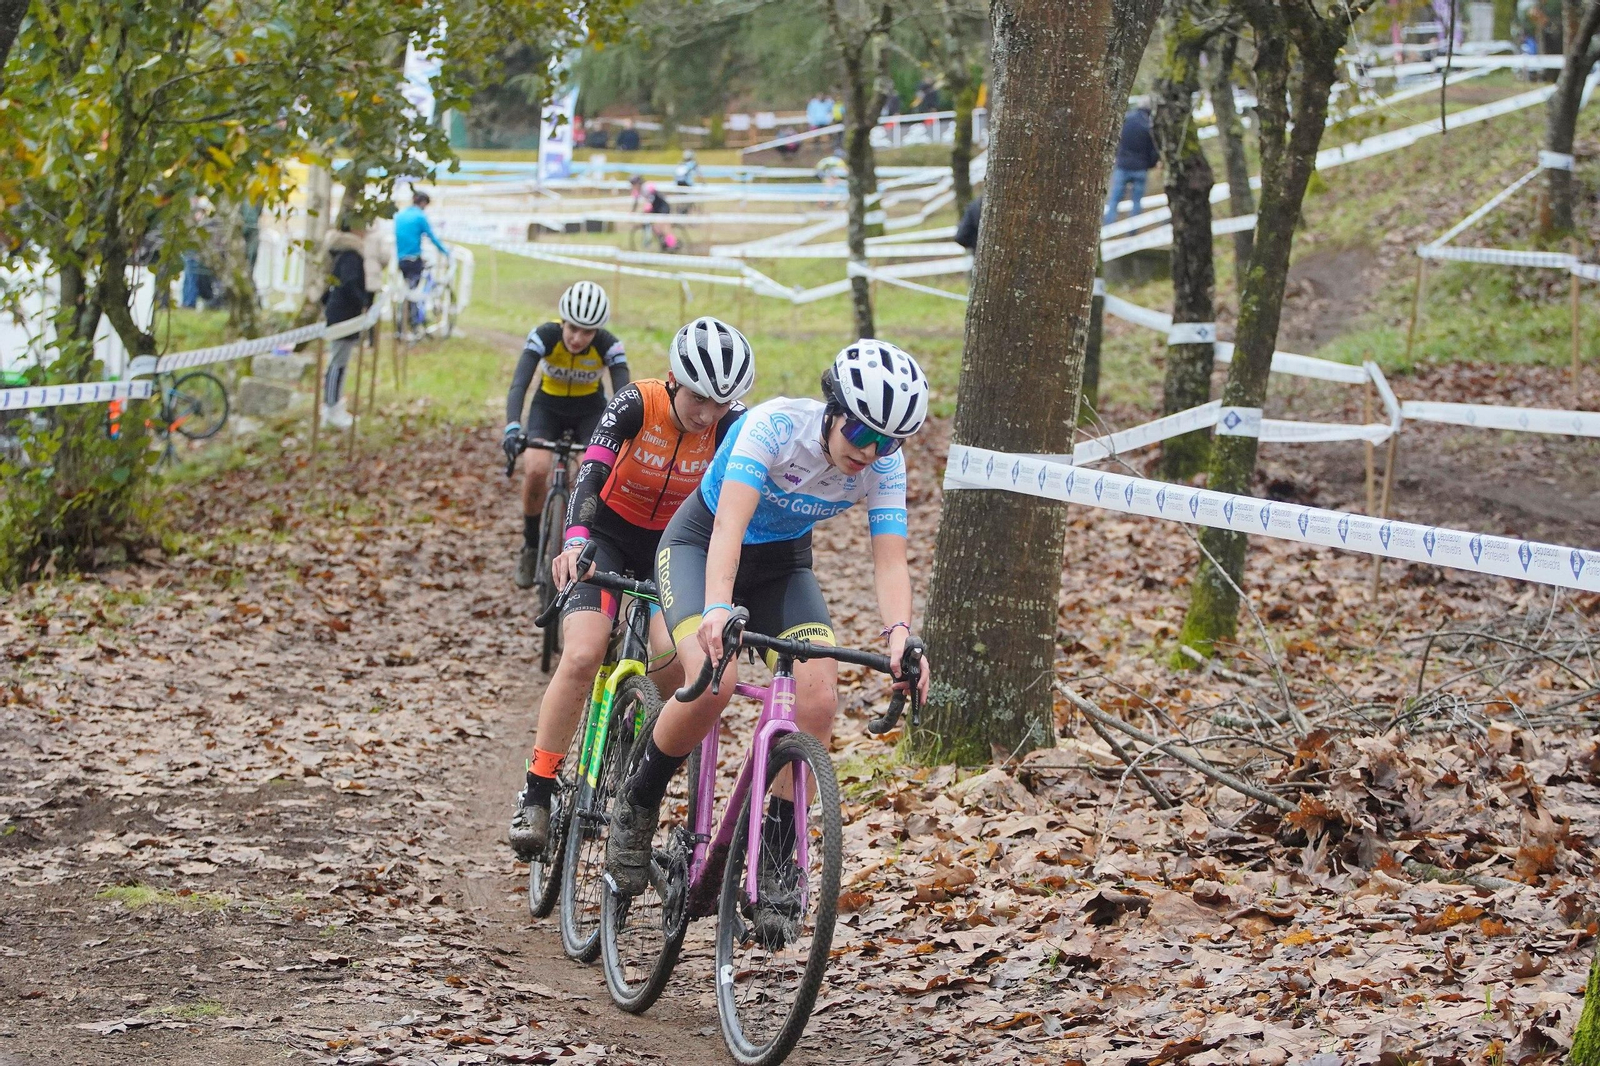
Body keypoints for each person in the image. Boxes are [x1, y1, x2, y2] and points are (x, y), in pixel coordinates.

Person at [605, 340, 935, 921]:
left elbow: (890, 558)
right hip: (700, 546)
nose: (872, 452)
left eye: (889, 441)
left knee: (819, 698)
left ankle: (779, 851)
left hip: (782, 567)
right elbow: (728, 528)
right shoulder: (773, 427)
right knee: (715, 678)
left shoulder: (882, 463)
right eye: (862, 434)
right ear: (833, 410)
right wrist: (713, 610)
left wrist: (900, 635)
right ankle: (638, 800)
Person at [508, 317, 756, 858]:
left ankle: (635, 758)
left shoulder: (734, 427)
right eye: (698, 399)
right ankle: (538, 790)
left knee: (677, 668)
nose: (707, 414)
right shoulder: (635, 403)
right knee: (581, 654)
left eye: (722, 403)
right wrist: (574, 541)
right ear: (673, 378)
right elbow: (590, 477)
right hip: (608, 535)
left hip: (676, 549)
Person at [504, 282, 630, 589]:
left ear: (597, 332)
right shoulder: (545, 336)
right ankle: (531, 546)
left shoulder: (609, 346)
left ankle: (584, 541)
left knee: (594, 477)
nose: (577, 338)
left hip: (590, 410)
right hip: (547, 408)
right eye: (572, 328)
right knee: (536, 468)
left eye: (587, 332)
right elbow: (520, 383)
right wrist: (512, 427)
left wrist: (627, 436)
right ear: (562, 321)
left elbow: (624, 393)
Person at [319, 217, 386, 429]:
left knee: (341, 361)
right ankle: (331, 405)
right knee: (337, 362)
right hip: (343, 314)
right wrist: (363, 302)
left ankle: (335, 403)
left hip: (347, 313)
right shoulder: (350, 255)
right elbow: (349, 284)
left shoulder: (347, 253)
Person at [394, 189, 449, 334]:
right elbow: (432, 236)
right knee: (414, 293)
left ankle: (407, 320)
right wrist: (445, 252)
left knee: (408, 289)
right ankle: (412, 322)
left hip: (401, 259)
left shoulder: (400, 215)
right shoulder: (420, 217)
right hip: (414, 260)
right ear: (423, 203)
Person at [1103, 99, 1161, 225]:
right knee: (1136, 201)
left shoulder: (1126, 119)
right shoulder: (1149, 125)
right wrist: (1150, 164)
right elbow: (1154, 149)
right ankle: (1133, 230)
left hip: (1122, 165)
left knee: (1114, 199)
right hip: (1140, 168)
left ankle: (1108, 227)